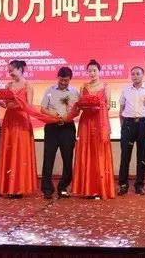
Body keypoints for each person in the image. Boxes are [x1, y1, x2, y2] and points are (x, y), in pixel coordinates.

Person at [68, 59, 115, 199]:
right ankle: (87, 188)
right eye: (89, 71)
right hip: (86, 122)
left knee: (99, 152)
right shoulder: (83, 86)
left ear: (99, 71)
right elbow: (80, 104)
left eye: (94, 70)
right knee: (86, 151)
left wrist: (97, 106)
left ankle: (100, 188)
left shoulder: (106, 86)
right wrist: (84, 106)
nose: (92, 73)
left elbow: (108, 105)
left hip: (99, 122)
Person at [0, 60, 37, 198]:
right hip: (9, 120)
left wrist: (17, 103)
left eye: (12, 70)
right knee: (9, 150)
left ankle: (19, 187)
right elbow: (5, 104)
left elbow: (29, 106)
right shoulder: (8, 85)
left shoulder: (27, 86)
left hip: (22, 120)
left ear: (20, 69)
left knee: (20, 152)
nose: (10, 73)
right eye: (9, 71)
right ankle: (9, 186)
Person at [40, 67, 79, 199]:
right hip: (52, 127)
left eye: (66, 80)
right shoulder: (50, 91)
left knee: (67, 158)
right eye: (61, 80)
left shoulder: (75, 92)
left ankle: (63, 187)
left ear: (70, 79)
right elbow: (43, 109)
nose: (63, 83)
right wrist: (55, 116)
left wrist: (68, 116)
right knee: (48, 158)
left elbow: (77, 111)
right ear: (58, 77)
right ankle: (47, 189)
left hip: (67, 128)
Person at [118, 66, 145, 196]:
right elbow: (121, 108)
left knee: (141, 156)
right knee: (125, 156)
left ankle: (139, 185)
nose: (135, 76)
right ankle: (123, 185)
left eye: (138, 74)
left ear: (143, 75)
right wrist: (122, 126)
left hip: (143, 124)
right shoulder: (126, 90)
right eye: (133, 74)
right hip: (128, 125)